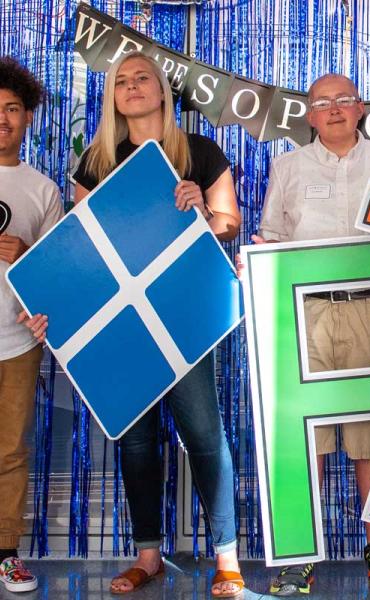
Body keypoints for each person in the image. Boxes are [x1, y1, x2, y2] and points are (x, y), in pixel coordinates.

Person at [26, 51, 243, 597]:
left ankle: (228, 559)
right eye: (120, 81)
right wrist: (57, 308)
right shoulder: (95, 163)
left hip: (185, 320)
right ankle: (147, 554)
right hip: (124, 325)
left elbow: (230, 223)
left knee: (204, 435)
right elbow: (80, 254)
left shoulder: (199, 152)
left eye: (141, 76)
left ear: (161, 89)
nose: (132, 86)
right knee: (137, 440)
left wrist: (203, 211)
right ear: (112, 97)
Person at [251, 73, 370, 596]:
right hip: (307, 315)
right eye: (323, 103)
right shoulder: (288, 167)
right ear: (309, 115)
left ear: (360, 107)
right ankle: (300, 554)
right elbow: (271, 236)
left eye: (344, 99)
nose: (335, 109)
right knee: (308, 438)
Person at [0, 56, 64, 594]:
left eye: (12, 108)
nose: (2, 117)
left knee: (10, 451)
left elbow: (59, 277)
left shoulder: (43, 190)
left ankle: (5, 554)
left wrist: (27, 255)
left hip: (17, 342)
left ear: (27, 117)